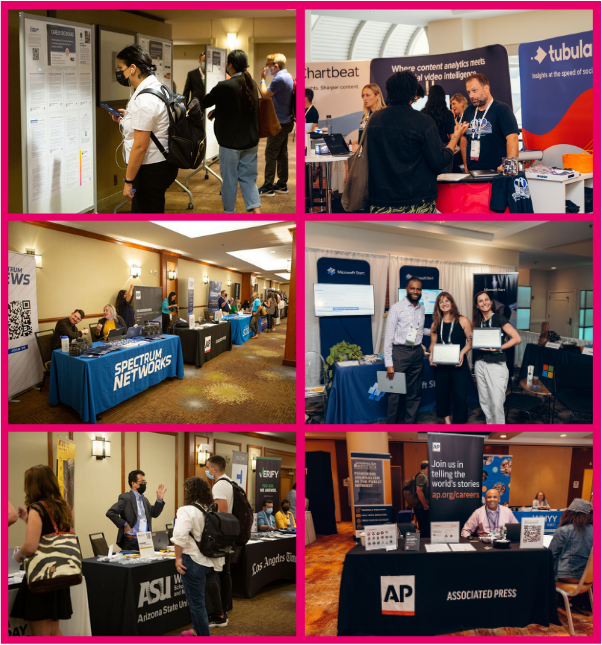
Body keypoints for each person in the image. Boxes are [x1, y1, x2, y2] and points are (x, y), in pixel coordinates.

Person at [367, 71, 468, 213]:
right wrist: (455, 138)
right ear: (413, 92)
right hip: (415, 203)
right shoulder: (422, 121)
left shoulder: (374, 119)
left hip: (380, 202)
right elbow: (438, 161)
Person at [112, 44, 179, 213]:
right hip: (162, 164)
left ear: (132, 68)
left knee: (145, 215)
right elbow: (155, 123)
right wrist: (126, 118)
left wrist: (129, 181)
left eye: (121, 68)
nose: (119, 72)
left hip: (150, 169)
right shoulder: (158, 87)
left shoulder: (145, 99)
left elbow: (140, 146)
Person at [10, 465, 73, 636]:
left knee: (42, 634)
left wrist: (18, 555)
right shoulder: (62, 507)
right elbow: (52, 534)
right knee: (54, 629)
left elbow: (31, 546)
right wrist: (28, 520)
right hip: (58, 575)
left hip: (41, 578)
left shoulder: (37, 508)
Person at [201, 50, 261, 214]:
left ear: (231, 65)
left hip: (230, 143)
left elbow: (205, 102)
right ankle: (256, 213)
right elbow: (240, 109)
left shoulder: (225, 86)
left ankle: (229, 213)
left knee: (230, 180)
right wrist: (219, 110)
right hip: (251, 140)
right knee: (249, 179)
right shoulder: (252, 84)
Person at [173, 477, 226, 636]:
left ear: (191, 492)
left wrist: (177, 558)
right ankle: (196, 630)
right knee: (199, 602)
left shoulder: (186, 510)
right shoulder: (210, 510)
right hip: (211, 562)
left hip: (194, 561)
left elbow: (179, 536)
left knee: (196, 603)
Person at [472, 290, 522, 424]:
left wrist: (499, 347)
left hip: (496, 364)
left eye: (486, 299)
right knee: (484, 400)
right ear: (477, 305)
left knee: (497, 402)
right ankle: (490, 425)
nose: (484, 303)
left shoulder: (499, 318)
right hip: (480, 363)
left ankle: (499, 431)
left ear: (491, 302)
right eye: (480, 301)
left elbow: (517, 338)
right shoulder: (480, 321)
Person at [384, 277, 426, 424]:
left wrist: (432, 330)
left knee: (414, 392)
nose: (415, 291)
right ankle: (391, 427)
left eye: (418, 289)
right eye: (412, 288)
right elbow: (388, 337)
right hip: (400, 354)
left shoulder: (421, 308)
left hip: (417, 353)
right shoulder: (396, 308)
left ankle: (410, 424)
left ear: (421, 291)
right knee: (395, 392)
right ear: (407, 290)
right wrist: (389, 363)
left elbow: (417, 330)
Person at [460, 73, 519, 174]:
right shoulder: (468, 111)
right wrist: (466, 165)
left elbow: (512, 138)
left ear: (486, 88)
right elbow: (463, 138)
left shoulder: (502, 110)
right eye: (469, 92)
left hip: (496, 172)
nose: (471, 95)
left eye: (474, 90)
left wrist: (508, 166)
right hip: (473, 172)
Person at [429, 292, 473, 424]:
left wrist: (462, 353)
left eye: (447, 300)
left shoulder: (463, 320)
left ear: (452, 303)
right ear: (438, 306)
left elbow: (471, 342)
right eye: (441, 302)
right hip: (441, 365)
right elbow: (433, 344)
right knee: (442, 394)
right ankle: (447, 421)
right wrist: (432, 354)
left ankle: (459, 423)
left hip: (458, 364)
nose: (444, 303)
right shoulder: (435, 324)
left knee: (460, 395)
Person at [258, 53, 294, 197]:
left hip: (279, 123)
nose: (267, 67)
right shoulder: (289, 76)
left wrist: (262, 79)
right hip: (287, 121)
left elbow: (265, 94)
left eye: (269, 64)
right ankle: (282, 184)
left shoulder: (279, 79)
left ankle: (268, 187)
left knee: (270, 153)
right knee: (281, 153)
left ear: (276, 66)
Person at [106, 470, 166, 550]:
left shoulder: (144, 500)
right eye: (142, 482)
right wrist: (124, 523)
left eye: (145, 482)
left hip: (145, 540)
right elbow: (110, 512)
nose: (144, 484)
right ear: (133, 483)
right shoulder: (126, 498)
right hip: (131, 541)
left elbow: (154, 513)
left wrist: (159, 500)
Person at [205, 456, 234, 619]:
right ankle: (225, 606)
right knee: (225, 572)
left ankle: (220, 610)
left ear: (214, 469)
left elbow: (221, 514)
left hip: (222, 536)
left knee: (218, 572)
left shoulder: (219, 486)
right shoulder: (230, 483)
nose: (207, 470)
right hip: (229, 534)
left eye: (208, 467)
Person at [549, 499, 593, 582]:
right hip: (590, 577)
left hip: (568, 575)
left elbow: (551, 555)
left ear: (569, 514)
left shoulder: (563, 530)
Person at [421, 84, 456, 171]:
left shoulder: (423, 113)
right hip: (444, 149)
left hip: (427, 149)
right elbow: (452, 136)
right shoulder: (448, 114)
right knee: (445, 181)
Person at [352, 83, 385, 152]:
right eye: (363, 95)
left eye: (368, 95)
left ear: (377, 96)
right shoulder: (365, 116)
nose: (364, 98)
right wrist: (352, 144)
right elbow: (363, 138)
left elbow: (383, 140)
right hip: (365, 155)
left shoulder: (384, 114)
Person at [414, 461, 430, 538]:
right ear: (427, 467)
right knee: (424, 530)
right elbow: (419, 491)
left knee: (425, 529)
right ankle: (423, 547)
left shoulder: (424, 476)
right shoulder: (422, 476)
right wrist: (425, 505)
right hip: (421, 508)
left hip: (422, 508)